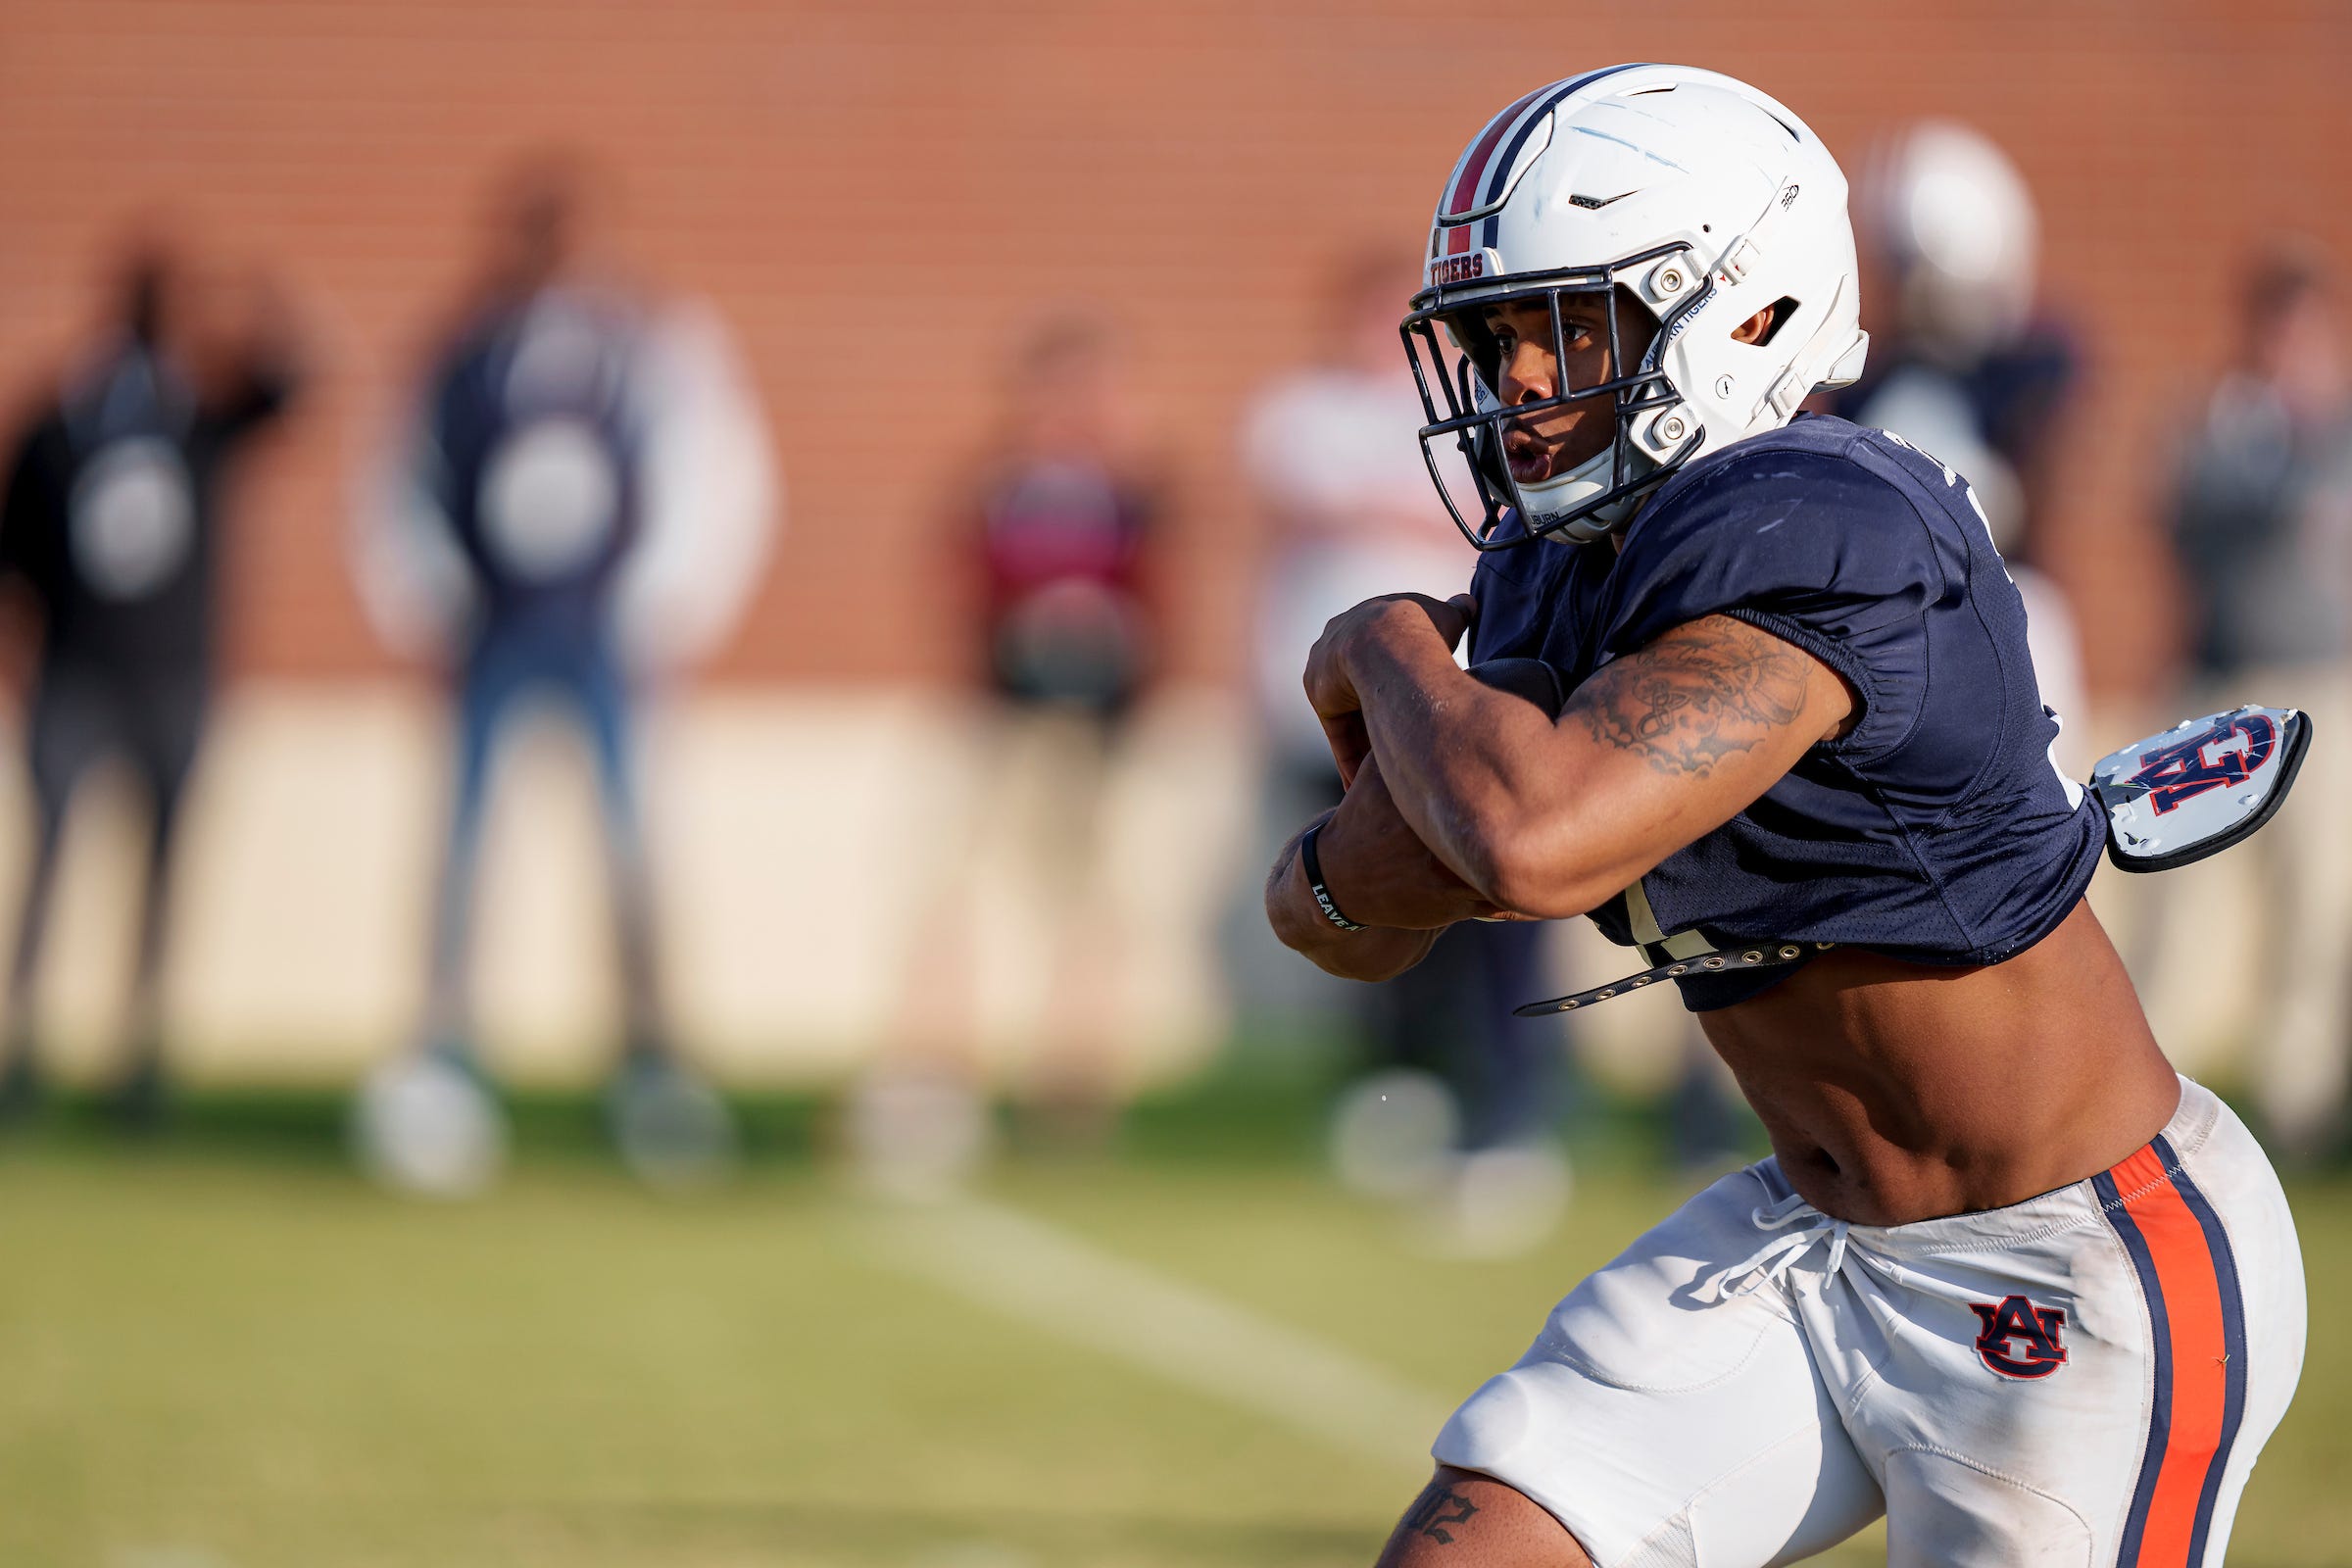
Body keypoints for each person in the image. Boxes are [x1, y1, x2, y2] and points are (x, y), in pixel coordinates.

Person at [1264, 66, 2303, 1564]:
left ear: (1736, 309)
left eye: (1559, 332)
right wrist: (1407, 823)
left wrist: (1383, 646)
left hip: (2075, 1265)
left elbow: (1527, 843)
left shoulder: (1830, 514)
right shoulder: (1571, 563)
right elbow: (1331, 919)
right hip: (1816, 1246)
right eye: (1494, 341)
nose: (1515, 389)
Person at [352, 157, 776, 1193]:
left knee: (632, 847)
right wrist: (427, 606)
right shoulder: (463, 350)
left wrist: (664, 612)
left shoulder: (657, 349)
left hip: (605, 639)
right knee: (461, 847)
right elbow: (398, 481)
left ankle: (653, 1063)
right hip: (495, 633)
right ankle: (444, 1055)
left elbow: (717, 477)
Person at [1242, 251, 1573, 1250]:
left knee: (1497, 903)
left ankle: (1510, 1114)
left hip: (1465, 701)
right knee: (1368, 903)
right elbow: (1308, 510)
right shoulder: (1299, 410)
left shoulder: (1484, 412)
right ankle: (1407, 1097)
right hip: (1343, 709)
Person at [848, 313, 1166, 1193]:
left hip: (1092, 726)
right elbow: (963, 590)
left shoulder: (1132, 495)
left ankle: (1073, 1092)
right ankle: (937, 1076)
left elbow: (1157, 603)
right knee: (950, 892)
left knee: (1089, 906)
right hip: (1002, 715)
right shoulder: (1000, 490)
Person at [0, 239, 303, 1127]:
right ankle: (23, 1047)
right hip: (75, 677)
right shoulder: (61, 423)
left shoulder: (201, 420)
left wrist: (261, 307)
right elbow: (10, 549)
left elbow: (287, 394)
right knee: (51, 859)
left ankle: (142, 1055)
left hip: (174, 681)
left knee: (165, 870)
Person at [2159, 239, 2352, 1162]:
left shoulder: (2341, 433)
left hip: (2324, 689)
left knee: (2315, 908)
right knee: (2180, 896)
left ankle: (2297, 1113)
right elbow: (2182, 523)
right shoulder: (2220, 429)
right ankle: (2152, 1106)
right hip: (2222, 687)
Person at [1833, 120, 2087, 757]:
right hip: (1907, 625)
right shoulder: (1875, 384)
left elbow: (2039, 413)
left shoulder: (2022, 374)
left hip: (2011, 608)